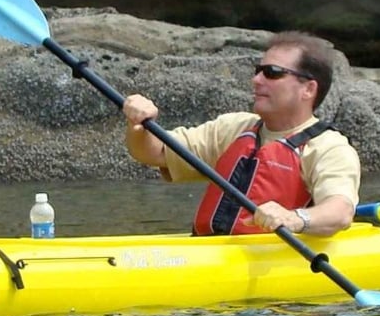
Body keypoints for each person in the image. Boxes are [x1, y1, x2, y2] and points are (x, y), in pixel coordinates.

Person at [121, 32, 360, 238]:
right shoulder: (235, 128)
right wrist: (139, 125)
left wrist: (294, 218)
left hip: (278, 257)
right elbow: (154, 152)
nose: (256, 80)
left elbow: (340, 212)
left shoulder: (328, 148)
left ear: (308, 89)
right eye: (258, 71)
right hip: (211, 251)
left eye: (272, 73)